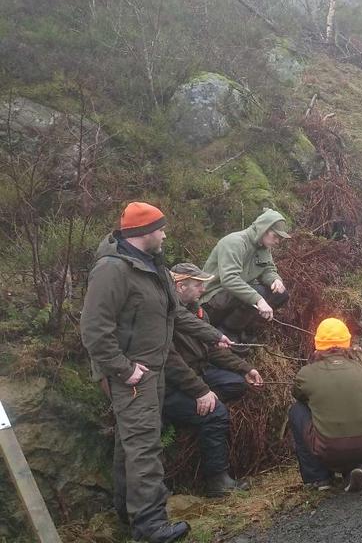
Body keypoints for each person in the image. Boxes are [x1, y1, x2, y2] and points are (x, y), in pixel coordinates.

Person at [81, 202, 209, 543]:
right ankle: (150, 526)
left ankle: (127, 512)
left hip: (154, 369)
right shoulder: (112, 270)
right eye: (161, 229)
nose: (165, 234)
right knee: (144, 446)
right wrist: (123, 370)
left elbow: (176, 315)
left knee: (130, 443)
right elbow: (94, 329)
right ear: (144, 233)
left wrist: (217, 337)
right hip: (132, 375)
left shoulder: (153, 266)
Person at [162, 262, 264, 497]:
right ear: (179, 286)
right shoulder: (166, 319)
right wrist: (200, 392)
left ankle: (202, 406)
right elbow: (172, 364)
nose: (202, 290)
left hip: (199, 374)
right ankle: (218, 482)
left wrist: (245, 369)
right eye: (197, 285)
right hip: (173, 385)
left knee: (237, 384)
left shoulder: (198, 312)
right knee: (216, 413)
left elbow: (213, 350)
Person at [288, 318, 362, 492]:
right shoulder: (361, 370)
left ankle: (319, 478)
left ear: (317, 344)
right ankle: (359, 467)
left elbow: (298, 396)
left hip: (330, 447)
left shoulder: (306, 374)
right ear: (347, 344)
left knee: (297, 411)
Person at [199, 208, 291, 340]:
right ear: (263, 230)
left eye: (279, 238)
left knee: (281, 294)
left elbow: (268, 269)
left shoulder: (264, 247)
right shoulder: (235, 242)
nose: (277, 241)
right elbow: (229, 280)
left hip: (233, 296)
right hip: (212, 298)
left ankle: (245, 329)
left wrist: (275, 280)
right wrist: (258, 300)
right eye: (275, 236)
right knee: (258, 292)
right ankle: (227, 331)